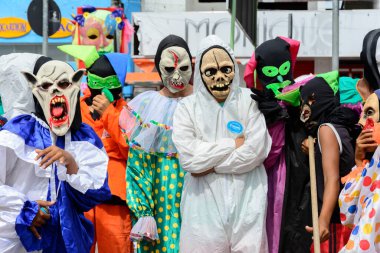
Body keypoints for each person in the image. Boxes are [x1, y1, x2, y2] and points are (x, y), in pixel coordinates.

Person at [0, 56, 111, 253]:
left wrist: (71, 162)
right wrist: (25, 209)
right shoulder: (21, 130)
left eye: (64, 83)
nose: (55, 90)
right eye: (45, 85)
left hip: (67, 242)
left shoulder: (84, 137)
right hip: (22, 240)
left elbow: (96, 195)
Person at [172, 35, 271, 252]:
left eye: (225, 69)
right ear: (200, 74)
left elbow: (256, 151)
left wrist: (210, 166)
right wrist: (232, 145)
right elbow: (190, 159)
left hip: (248, 197)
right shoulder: (187, 108)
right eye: (211, 72)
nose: (219, 77)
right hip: (202, 203)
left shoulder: (250, 101)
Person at [119, 34, 193, 253]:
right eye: (169, 69)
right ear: (159, 68)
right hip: (158, 201)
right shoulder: (147, 106)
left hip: (197, 196)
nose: (177, 76)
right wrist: (144, 212)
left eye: (183, 67)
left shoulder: (203, 102)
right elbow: (138, 165)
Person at [58, 45, 133, 253]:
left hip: (115, 196)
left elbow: (131, 150)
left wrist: (109, 114)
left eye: (110, 83)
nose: (103, 91)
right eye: (98, 83)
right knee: (79, 245)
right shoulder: (74, 109)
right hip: (81, 192)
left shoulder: (126, 110)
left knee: (117, 245)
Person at [244, 36, 313, 253]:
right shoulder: (254, 105)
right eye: (271, 72)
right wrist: (272, 121)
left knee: (296, 230)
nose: (281, 77)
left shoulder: (305, 92)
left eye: (284, 68)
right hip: (269, 179)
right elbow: (264, 155)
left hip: (300, 174)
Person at [299, 71, 359, 252]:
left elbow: (331, 179)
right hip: (350, 223)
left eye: (306, 104)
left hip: (335, 226)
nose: (303, 112)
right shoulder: (341, 128)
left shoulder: (326, 130)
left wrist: (323, 222)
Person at [339, 90, 380, 252]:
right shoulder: (373, 163)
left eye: (369, 113)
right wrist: (359, 160)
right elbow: (348, 213)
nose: (361, 123)